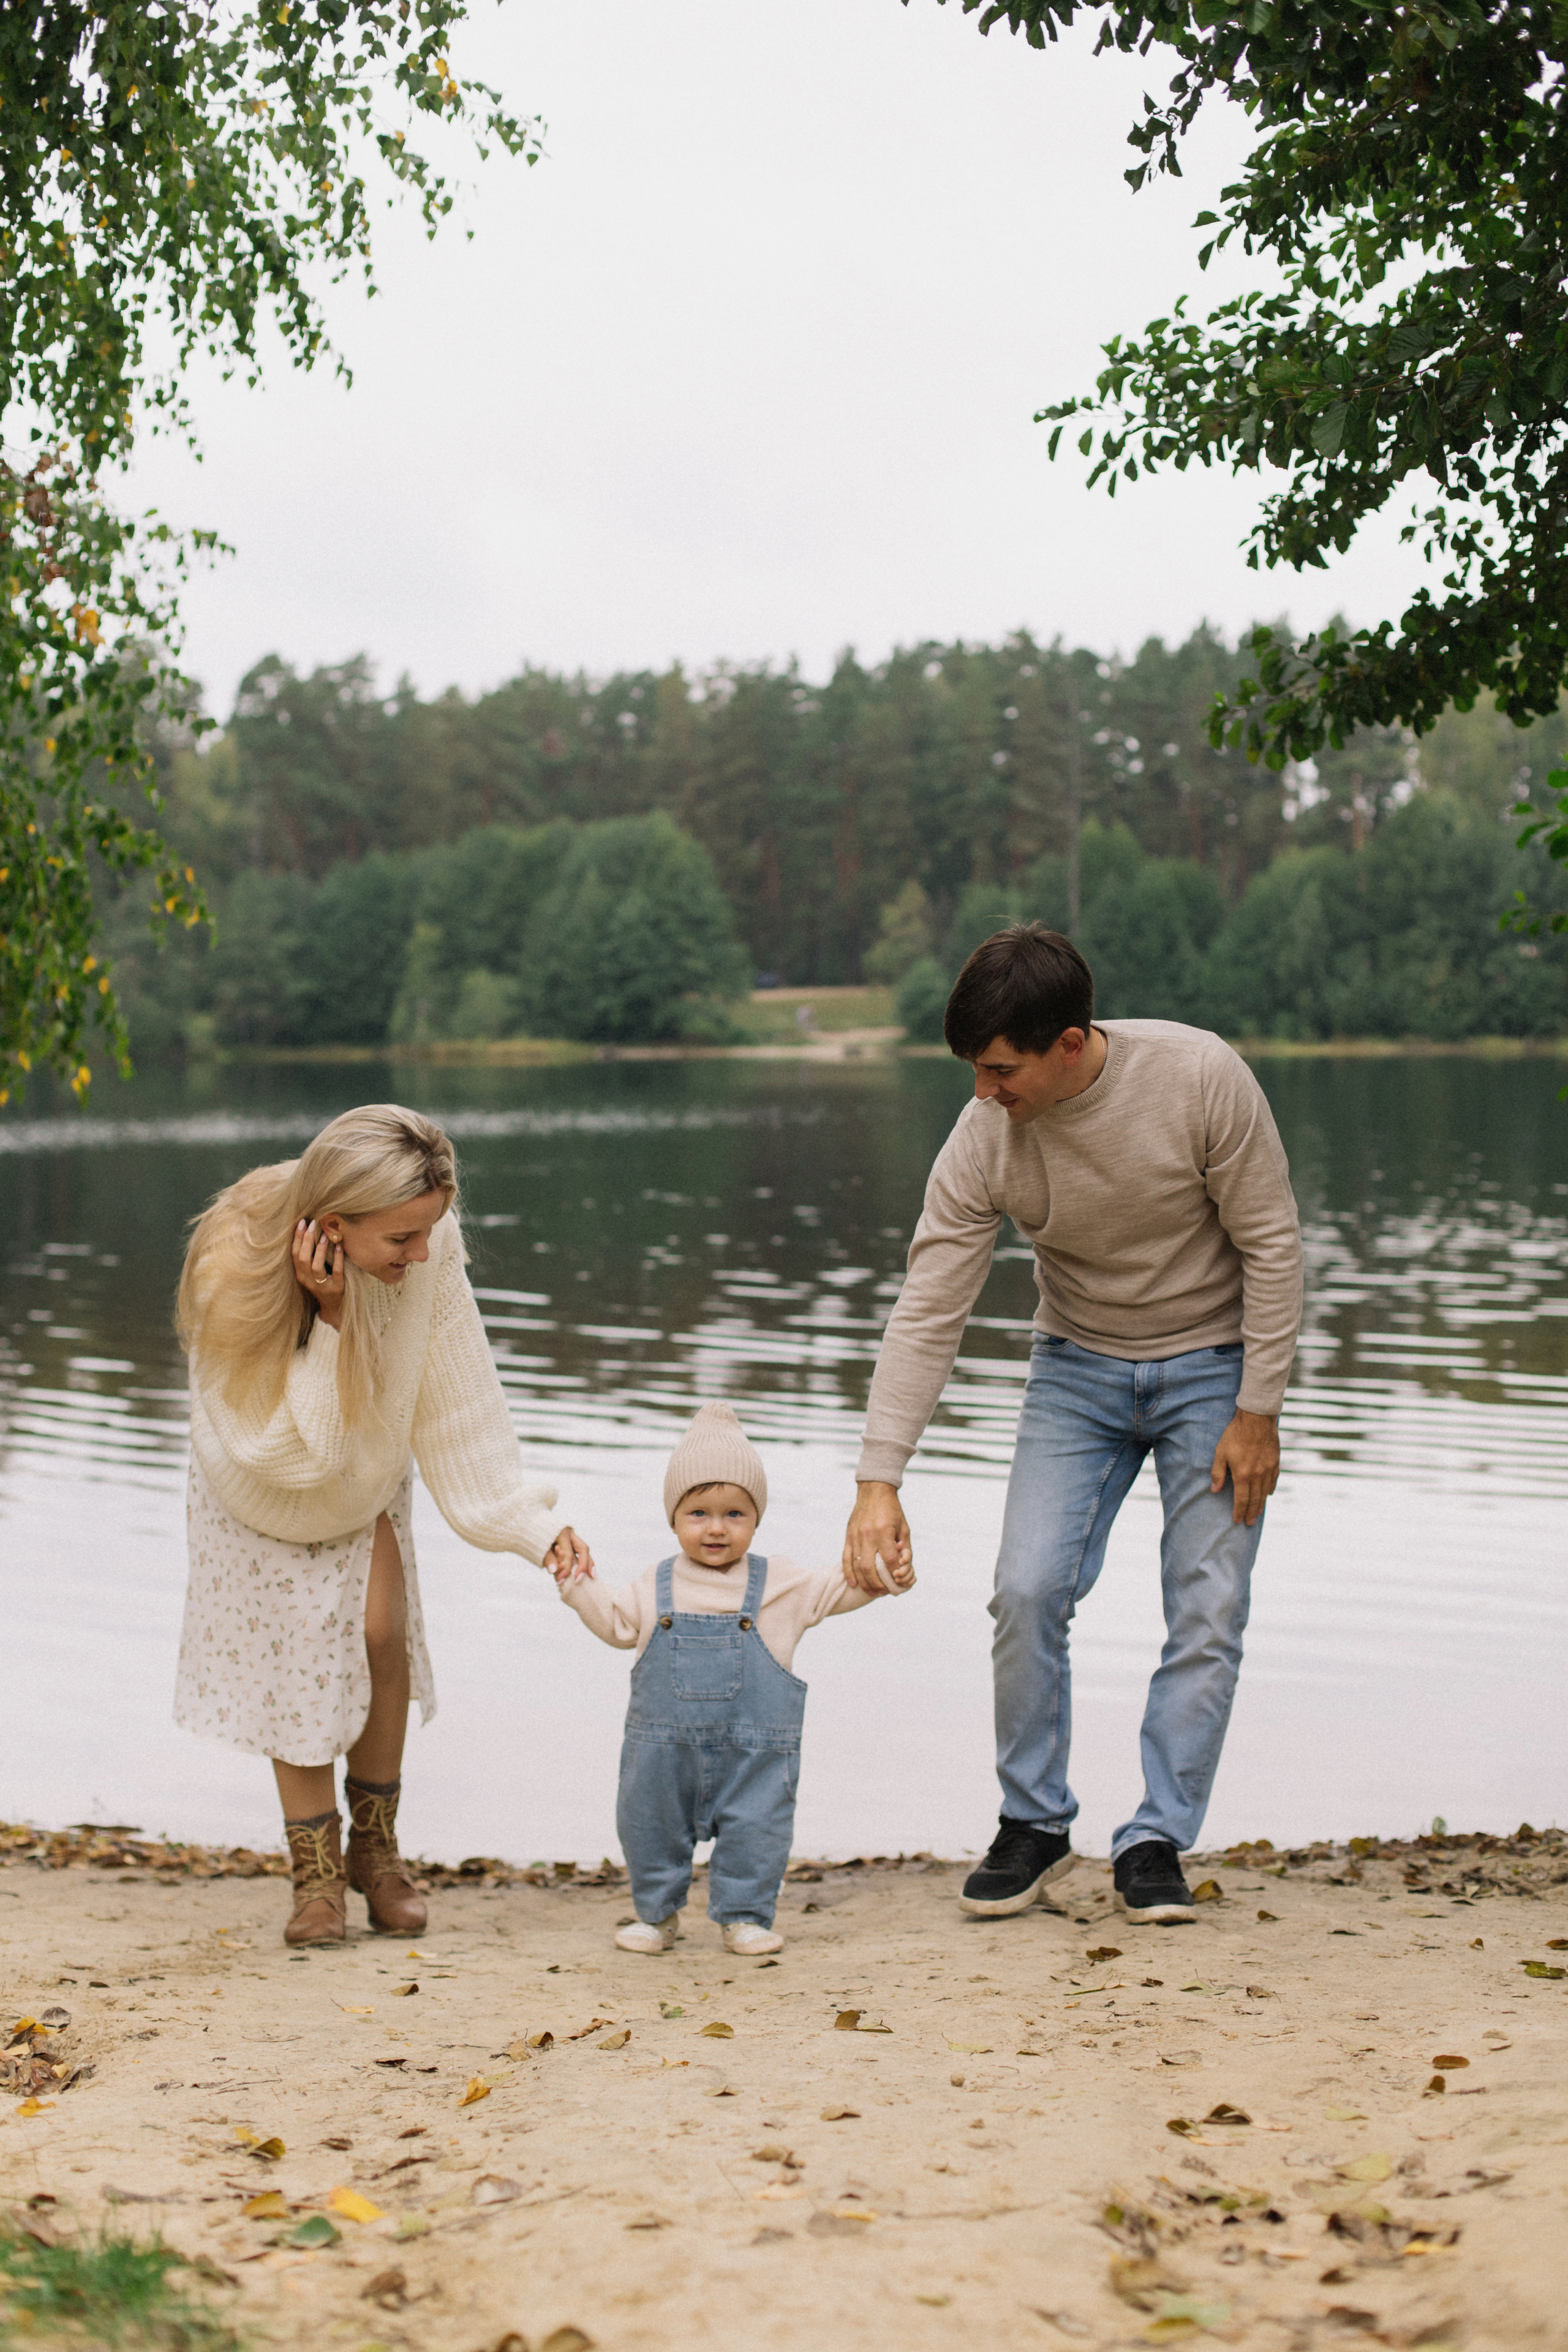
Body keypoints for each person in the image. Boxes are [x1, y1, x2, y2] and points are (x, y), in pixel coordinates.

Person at [841, 927, 1303, 1926]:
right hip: (1077, 1371)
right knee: (1026, 1587)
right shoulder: (985, 1137)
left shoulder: (1199, 1079)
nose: (983, 1093)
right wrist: (880, 1477)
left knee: (1208, 1607)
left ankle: (1155, 1841)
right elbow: (930, 1303)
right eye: (972, 1070)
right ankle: (1035, 1820)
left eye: (1001, 1071)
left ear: (1070, 1043)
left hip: (1214, 1374)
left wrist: (1258, 1408)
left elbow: (1272, 1245)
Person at [173, 1103, 590, 1947]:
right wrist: (330, 1318)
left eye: (432, 1230)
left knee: (380, 1633)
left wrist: (528, 1524)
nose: (424, 1254)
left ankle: (378, 1850)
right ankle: (315, 1877)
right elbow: (295, 1457)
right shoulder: (232, 1266)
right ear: (330, 1228)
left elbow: (461, 1397)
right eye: (402, 1239)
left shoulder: (421, 1252)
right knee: (297, 1656)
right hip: (259, 1486)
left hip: (361, 1468)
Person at [554, 1401, 913, 1957]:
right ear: (673, 1517)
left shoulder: (781, 1585)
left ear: (757, 1519)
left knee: (758, 1831)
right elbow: (616, 1625)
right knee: (648, 1828)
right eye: (698, 1513)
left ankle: (744, 1916)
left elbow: (842, 1589)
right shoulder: (655, 1583)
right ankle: (656, 1915)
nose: (716, 1528)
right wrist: (577, 1584)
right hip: (661, 1753)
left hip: (756, 1754)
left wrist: (886, 1572)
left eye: (735, 1514)